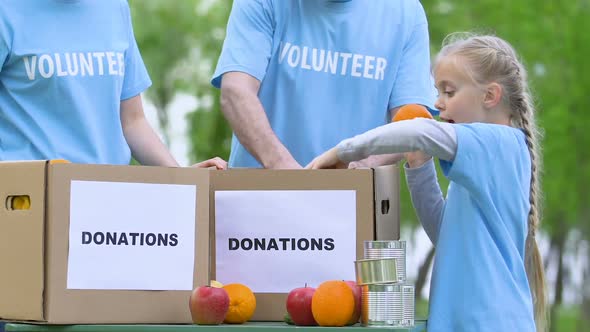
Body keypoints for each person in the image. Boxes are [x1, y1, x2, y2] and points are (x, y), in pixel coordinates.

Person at [307, 34, 547, 331]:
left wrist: (341, 151)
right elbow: (444, 235)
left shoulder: (501, 144)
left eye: (449, 92)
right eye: (438, 92)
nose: (438, 103)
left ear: (490, 96)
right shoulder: (480, 161)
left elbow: (421, 131)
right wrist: (419, 164)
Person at [0, 0, 226, 170]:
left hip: (107, 197)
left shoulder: (114, 7)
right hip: (28, 198)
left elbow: (132, 121)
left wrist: (183, 180)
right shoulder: (7, 10)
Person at [211, 0, 436, 169]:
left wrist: (356, 164)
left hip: (352, 204)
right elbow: (236, 92)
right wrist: (286, 171)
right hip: (256, 202)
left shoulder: (406, 12)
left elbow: (410, 125)